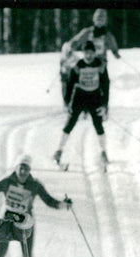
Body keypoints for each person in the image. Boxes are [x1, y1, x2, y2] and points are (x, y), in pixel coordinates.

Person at [53, 41, 109, 169]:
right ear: (83, 53)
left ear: (94, 53)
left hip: (94, 98)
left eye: (91, 53)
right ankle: (59, 151)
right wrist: (67, 102)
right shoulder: (78, 66)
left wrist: (105, 104)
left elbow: (106, 86)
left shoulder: (100, 66)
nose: (88, 56)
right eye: (86, 53)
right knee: (70, 123)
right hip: (80, 97)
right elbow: (70, 84)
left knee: (98, 125)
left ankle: (103, 152)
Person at [68, 8, 120, 114]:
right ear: (94, 20)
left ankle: (104, 107)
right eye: (98, 19)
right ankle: (83, 107)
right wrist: (72, 46)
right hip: (88, 62)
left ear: (105, 21)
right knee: (85, 84)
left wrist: (115, 52)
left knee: (104, 84)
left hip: (100, 64)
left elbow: (113, 44)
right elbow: (77, 40)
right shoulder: (88, 32)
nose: (99, 22)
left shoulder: (107, 34)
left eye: (102, 19)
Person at [59, 42, 78, 108]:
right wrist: (63, 70)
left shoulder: (75, 57)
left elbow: (77, 66)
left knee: (71, 89)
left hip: (72, 76)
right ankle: (65, 102)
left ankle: (71, 102)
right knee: (64, 88)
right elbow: (61, 67)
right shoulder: (63, 57)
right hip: (65, 76)